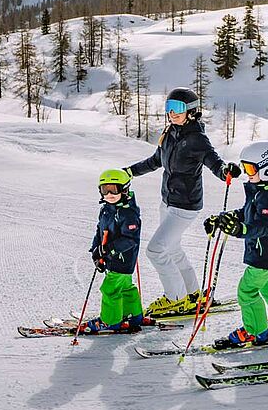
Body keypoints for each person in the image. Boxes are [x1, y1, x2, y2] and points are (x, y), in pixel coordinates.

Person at [123, 87, 240, 317]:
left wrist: (225, 170)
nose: (172, 113)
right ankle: (193, 294)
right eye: (168, 108)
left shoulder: (197, 138)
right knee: (173, 249)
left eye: (177, 108)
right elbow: (156, 160)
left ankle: (175, 299)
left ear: (192, 111)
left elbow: (213, 161)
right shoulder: (170, 133)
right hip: (167, 201)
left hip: (184, 204)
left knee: (156, 250)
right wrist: (129, 172)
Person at [204, 141, 268, 346]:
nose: (246, 172)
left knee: (247, 290)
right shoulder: (260, 190)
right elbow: (247, 213)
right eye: (245, 167)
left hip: (265, 254)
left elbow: (262, 226)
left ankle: (256, 330)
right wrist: (225, 218)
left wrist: (240, 229)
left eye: (251, 168)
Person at [82, 169, 143, 333]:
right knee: (125, 288)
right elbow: (99, 231)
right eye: (104, 189)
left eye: (113, 189)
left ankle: (110, 321)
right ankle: (133, 315)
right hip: (113, 258)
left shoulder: (128, 213)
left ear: (124, 189)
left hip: (122, 259)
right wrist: (96, 250)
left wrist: (108, 250)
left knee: (110, 289)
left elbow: (130, 239)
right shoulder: (107, 208)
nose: (109, 194)